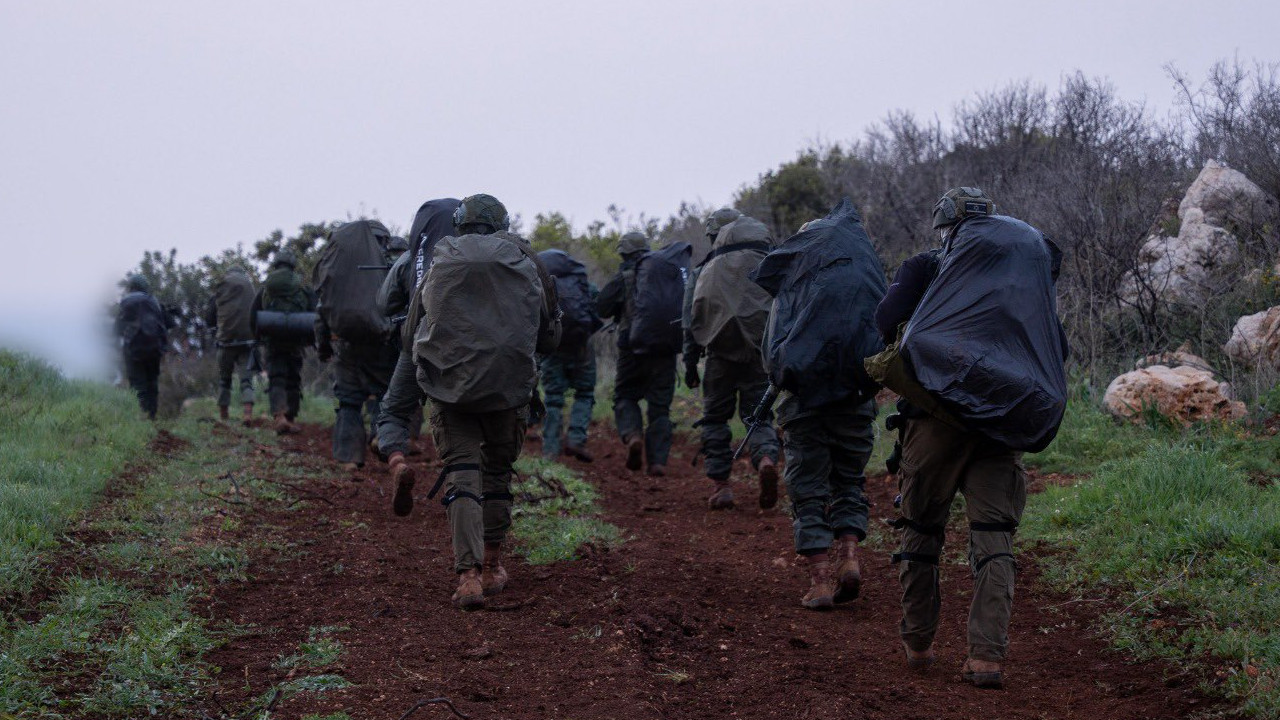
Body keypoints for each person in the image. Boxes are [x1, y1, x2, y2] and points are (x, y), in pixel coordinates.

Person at [875, 187, 1066, 689]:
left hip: (935, 421)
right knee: (994, 537)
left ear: (945, 227)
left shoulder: (924, 266)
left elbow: (883, 320)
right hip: (1002, 424)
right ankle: (986, 658)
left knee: (921, 527)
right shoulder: (1022, 276)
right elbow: (1057, 347)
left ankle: (918, 644)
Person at [411, 193, 561, 610]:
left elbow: (412, 329)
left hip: (449, 389)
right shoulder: (529, 260)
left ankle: (468, 577)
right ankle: (494, 565)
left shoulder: (441, 259)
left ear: (460, 224)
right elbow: (551, 336)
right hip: (510, 389)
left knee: (462, 474)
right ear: (503, 224)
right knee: (496, 472)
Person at [752, 200, 886, 612]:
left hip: (805, 406)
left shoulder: (794, 286)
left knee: (808, 489)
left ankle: (820, 580)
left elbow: (774, 356)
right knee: (849, 481)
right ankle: (849, 556)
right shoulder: (868, 279)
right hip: (857, 402)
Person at [685, 213, 780, 510]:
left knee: (714, 418)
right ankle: (765, 458)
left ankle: (721, 485)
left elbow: (691, 318)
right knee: (759, 416)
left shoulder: (706, 269)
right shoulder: (770, 260)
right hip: (759, 352)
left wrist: (690, 362)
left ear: (715, 236)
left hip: (718, 353)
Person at [377, 198, 462, 508]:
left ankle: (398, 461)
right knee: (460, 416)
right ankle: (462, 487)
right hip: (465, 352)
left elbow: (384, 302)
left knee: (394, 411)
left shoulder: (412, 258)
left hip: (418, 343)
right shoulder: (480, 260)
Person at [314, 220, 399, 470]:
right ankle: (382, 438)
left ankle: (349, 457)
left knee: (349, 400)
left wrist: (323, 347)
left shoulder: (339, 270)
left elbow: (323, 310)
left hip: (345, 343)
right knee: (384, 396)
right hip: (381, 342)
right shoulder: (389, 264)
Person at [596, 231, 679, 476]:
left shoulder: (623, 277)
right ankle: (657, 462)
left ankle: (633, 436)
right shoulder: (666, 273)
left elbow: (602, 306)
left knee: (625, 396)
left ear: (624, 253)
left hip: (631, 348)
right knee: (660, 408)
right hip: (665, 350)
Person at [537, 249, 603, 462]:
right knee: (584, 393)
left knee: (553, 400)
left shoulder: (543, 285)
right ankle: (576, 438)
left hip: (553, 347)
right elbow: (596, 307)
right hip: (581, 347)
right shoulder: (581, 282)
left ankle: (550, 451)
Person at [250, 249, 316, 435]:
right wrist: (311, 339)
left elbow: (253, 313)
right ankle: (291, 418)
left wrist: (257, 338)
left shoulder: (267, 288)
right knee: (293, 379)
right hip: (296, 340)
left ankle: (279, 416)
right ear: (293, 265)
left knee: (277, 378)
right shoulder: (302, 287)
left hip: (273, 340)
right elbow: (314, 312)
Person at [204, 265, 257, 424]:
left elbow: (209, 319)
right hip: (247, 342)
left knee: (224, 380)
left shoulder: (221, 290)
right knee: (246, 380)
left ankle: (224, 415)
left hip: (225, 342)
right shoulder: (251, 289)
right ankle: (247, 414)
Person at [115, 274, 169, 420]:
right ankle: (152, 416)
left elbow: (118, 329)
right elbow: (165, 324)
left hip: (133, 350)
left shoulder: (126, 301)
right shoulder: (153, 301)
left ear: (131, 287)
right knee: (152, 382)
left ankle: (141, 417)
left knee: (138, 385)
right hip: (154, 349)